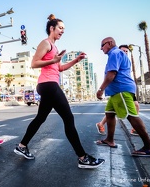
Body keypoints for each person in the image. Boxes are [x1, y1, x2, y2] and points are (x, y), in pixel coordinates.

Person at [14, 14, 105, 169]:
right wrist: (53, 60)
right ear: (52, 28)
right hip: (48, 84)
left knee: (40, 118)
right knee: (68, 118)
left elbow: (60, 68)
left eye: (64, 29)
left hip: (49, 84)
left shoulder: (54, 47)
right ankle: (83, 158)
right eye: (60, 28)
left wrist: (76, 60)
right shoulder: (46, 43)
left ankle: (22, 146)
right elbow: (34, 63)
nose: (63, 31)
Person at [96, 37, 150, 156]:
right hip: (116, 92)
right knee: (109, 113)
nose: (101, 48)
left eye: (102, 45)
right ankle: (110, 139)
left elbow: (112, 73)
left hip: (121, 90)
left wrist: (100, 89)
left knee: (131, 116)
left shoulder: (114, 53)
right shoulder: (118, 54)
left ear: (109, 43)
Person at [95, 45, 139, 136]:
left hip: (122, 89)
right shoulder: (116, 55)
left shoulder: (124, 60)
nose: (125, 52)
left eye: (127, 51)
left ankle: (108, 135)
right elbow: (111, 74)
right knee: (130, 114)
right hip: (121, 89)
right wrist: (101, 89)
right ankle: (147, 142)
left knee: (111, 113)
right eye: (123, 50)